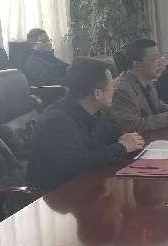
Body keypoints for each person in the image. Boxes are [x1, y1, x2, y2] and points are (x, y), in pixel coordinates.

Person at [26, 57, 144, 192]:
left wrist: (126, 140)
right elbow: (76, 165)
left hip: (84, 187)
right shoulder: (56, 121)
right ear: (97, 94)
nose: (115, 88)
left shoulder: (93, 111)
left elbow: (113, 134)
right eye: (111, 85)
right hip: (56, 196)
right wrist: (121, 148)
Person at [110, 39, 168, 133]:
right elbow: (133, 126)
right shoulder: (122, 89)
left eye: (160, 57)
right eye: (154, 59)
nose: (161, 63)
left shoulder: (148, 82)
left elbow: (157, 106)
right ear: (137, 64)